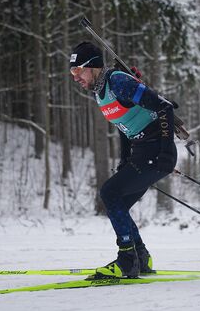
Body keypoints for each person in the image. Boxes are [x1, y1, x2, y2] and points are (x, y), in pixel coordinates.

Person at [69, 41, 177, 278]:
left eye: (78, 70)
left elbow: (165, 107)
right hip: (142, 152)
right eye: (72, 72)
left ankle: (127, 260)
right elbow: (124, 124)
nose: (75, 77)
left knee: (109, 193)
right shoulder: (100, 92)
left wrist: (167, 152)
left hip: (156, 151)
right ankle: (140, 256)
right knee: (119, 204)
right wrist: (125, 158)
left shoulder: (118, 82)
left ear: (93, 66)